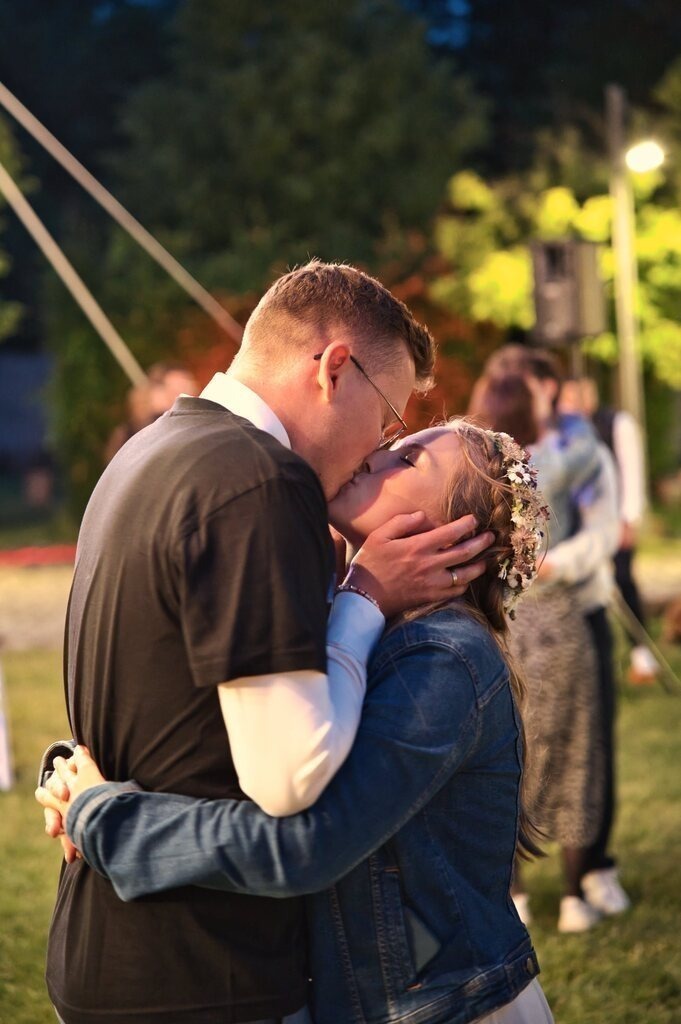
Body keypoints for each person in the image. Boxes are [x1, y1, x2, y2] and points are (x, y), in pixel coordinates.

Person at [40, 260, 493, 1024]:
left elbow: (157, 687)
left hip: (104, 947)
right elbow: (291, 776)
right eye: (385, 419)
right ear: (333, 369)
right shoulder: (258, 477)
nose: (375, 448)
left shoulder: (145, 452)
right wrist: (364, 596)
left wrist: (73, 783)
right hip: (204, 973)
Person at [469, 351, 608, 933]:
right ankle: (576, 897)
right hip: (559, 620)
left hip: (501, 623)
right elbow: (602, 529)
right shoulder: (573, 456)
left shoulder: (472, 468)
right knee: (574, 753)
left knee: (505, 755)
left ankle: (516, 894)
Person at [559, 376, 658, 685]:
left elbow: (631, 470)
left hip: (617, 520)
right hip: (584, 526)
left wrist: (629, 518)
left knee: (624, 582)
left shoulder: (617, 423)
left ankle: (643, 657)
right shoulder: (565, 432)